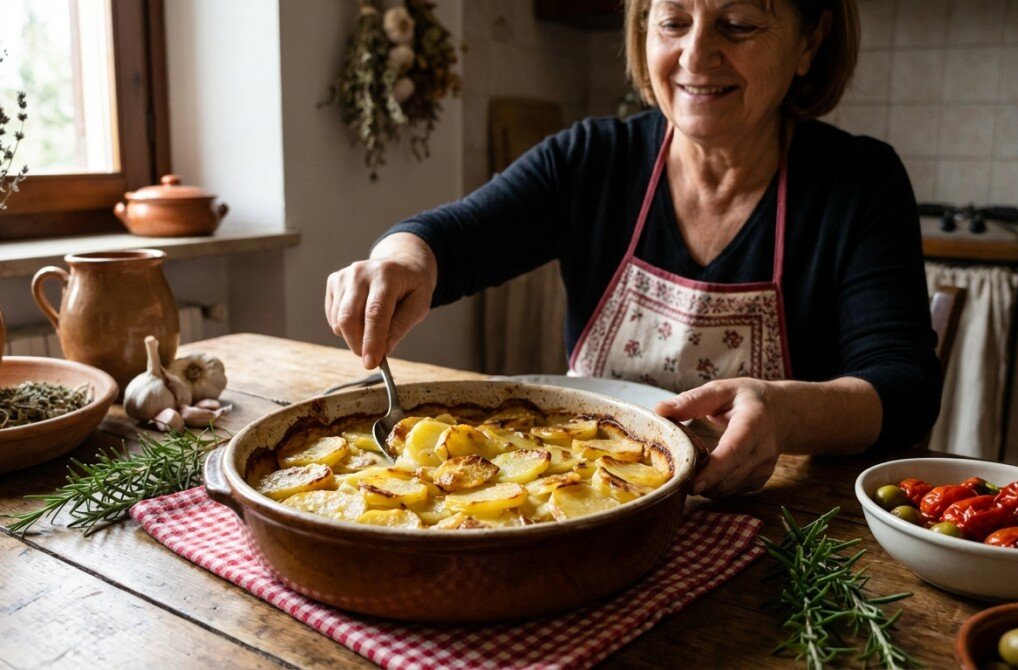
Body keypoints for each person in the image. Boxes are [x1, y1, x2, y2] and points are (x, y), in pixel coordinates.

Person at [325, 0, 942, 498]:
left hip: (776, 519)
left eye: (737, 24)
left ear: (810, 41)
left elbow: (906, 388)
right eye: (672, 22)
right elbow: (452, 238)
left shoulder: (859, 183)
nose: (695, 54)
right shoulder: (591, 159)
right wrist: (400, 258)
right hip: (577, 499)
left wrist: (784, 412)